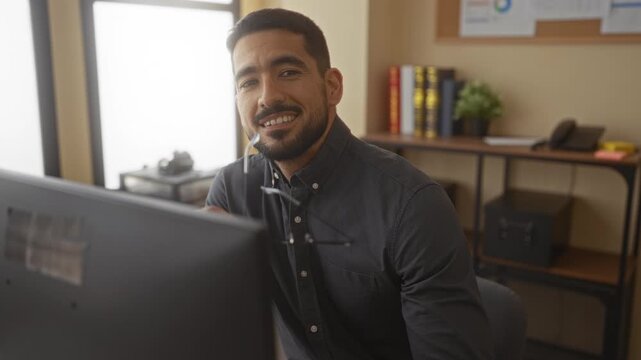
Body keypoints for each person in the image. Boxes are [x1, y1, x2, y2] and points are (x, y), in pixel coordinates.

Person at [207, 8, 493, 360]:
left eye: (288, 72)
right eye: (248, 82)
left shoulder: (414, 207)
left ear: (332, 87)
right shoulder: (233, 190)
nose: (267, 96)